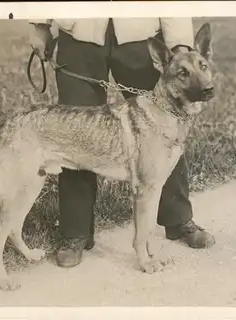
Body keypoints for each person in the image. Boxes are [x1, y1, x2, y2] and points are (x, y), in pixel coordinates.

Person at [29, 17, 216, 268]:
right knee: (76, 134)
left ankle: (178, 219)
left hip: (138, 31)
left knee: (163, 123)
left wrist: (181, 44)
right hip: (80, 31)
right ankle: (76, 233)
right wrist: (41, 25)